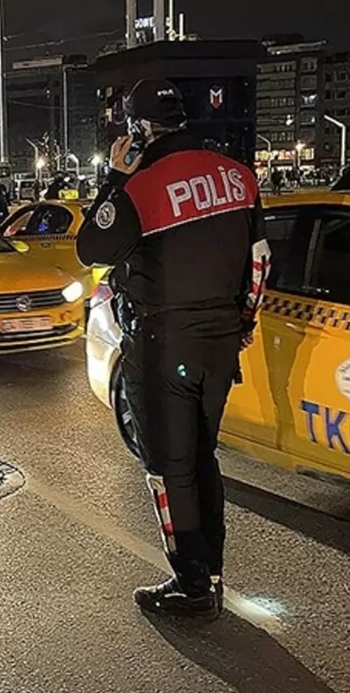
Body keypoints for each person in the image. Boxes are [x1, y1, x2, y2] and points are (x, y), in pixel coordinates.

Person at [75, 79, 271, 619]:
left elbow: (91, 247)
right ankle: (210, 572)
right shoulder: (237, 175)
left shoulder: (140, 188)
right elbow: (259, 260)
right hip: (221, 342)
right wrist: (244, 320)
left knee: (168, 467)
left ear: (137, 128)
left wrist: (116, 177)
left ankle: (190, 585)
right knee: (202, 458)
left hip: (163, 345)